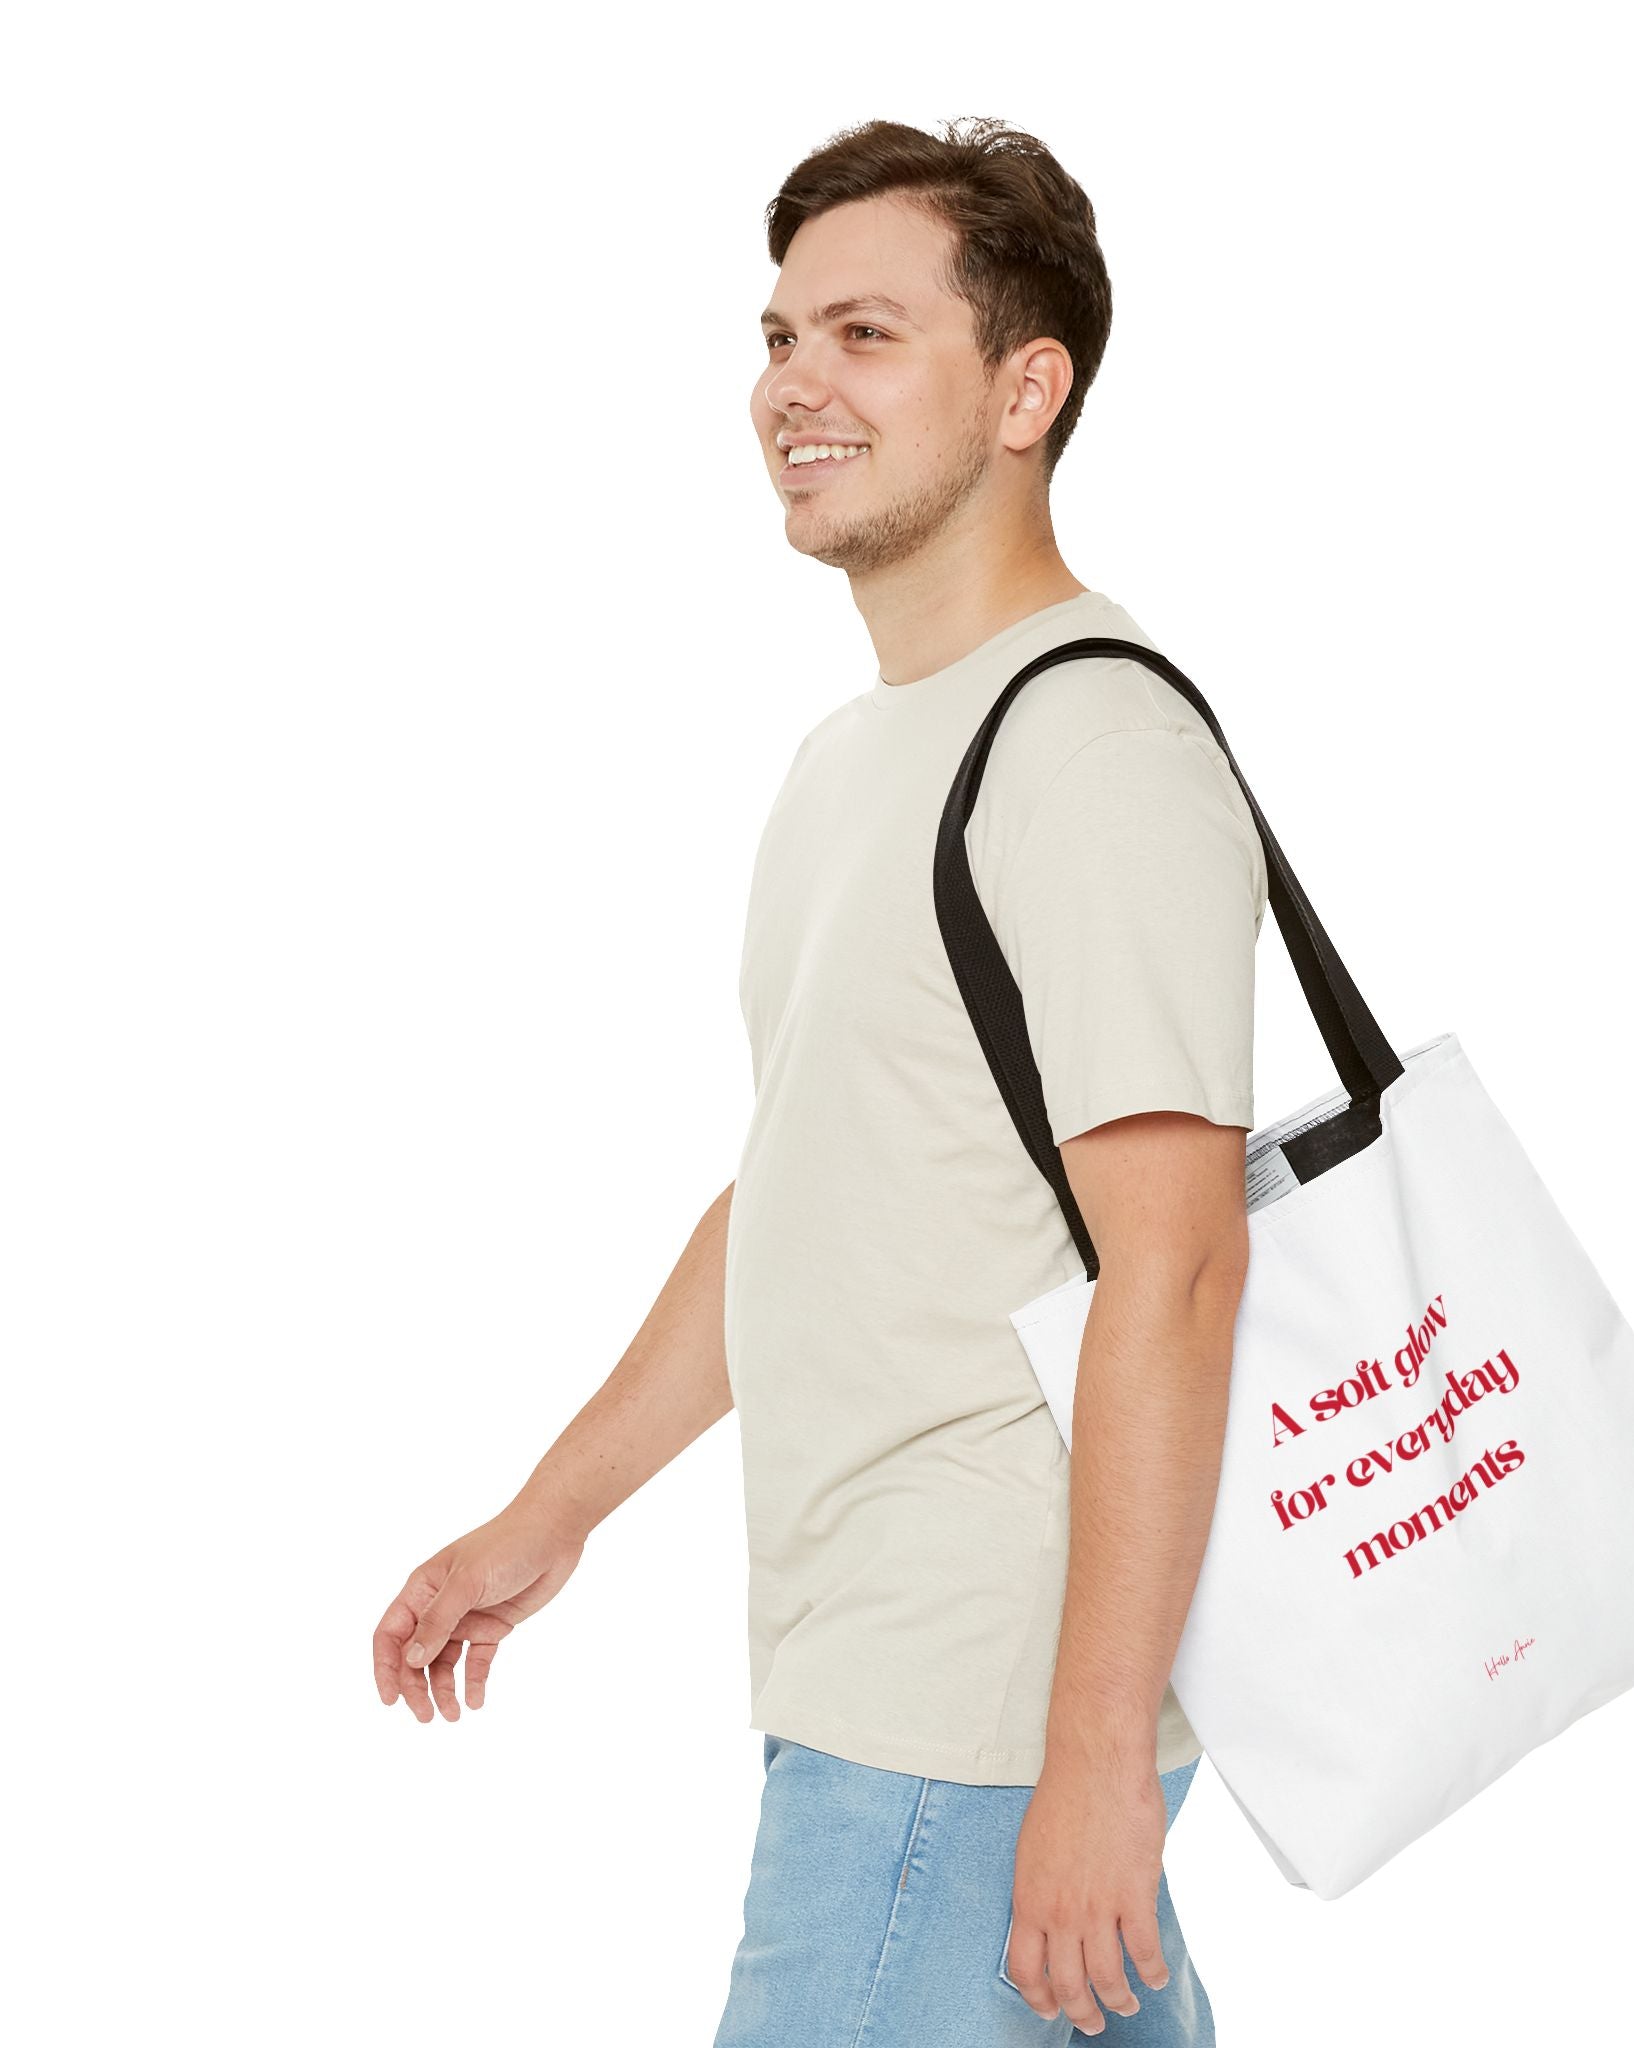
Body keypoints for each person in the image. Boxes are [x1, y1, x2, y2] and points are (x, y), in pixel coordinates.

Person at [371, 115, 1267, 2044]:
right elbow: (801, 1195)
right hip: (894, 1702)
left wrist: (1094, 1765)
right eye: (779, 337)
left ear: (1030, 388)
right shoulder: (853, 766)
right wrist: (551, 1517)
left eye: (865, 335)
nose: (793, 386)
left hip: (961, 1728)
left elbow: (1177, 1267)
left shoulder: (1087, 746)